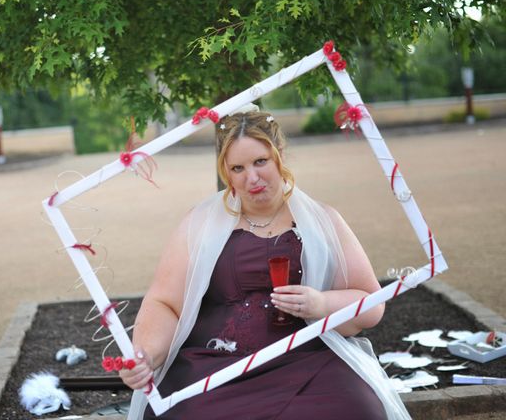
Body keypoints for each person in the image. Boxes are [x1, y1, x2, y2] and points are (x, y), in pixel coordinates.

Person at [120, 106, 410, 419]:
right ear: (225, 171)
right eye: (238, 168)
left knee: (356, 408)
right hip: (215, 365)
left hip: (308, 360)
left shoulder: (323, 220)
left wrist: (322, 302)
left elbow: (372, 304)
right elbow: (165, 302)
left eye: (260, 161)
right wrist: (146, 355)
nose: (252, 177)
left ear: (279, 156)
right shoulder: (200, 224)